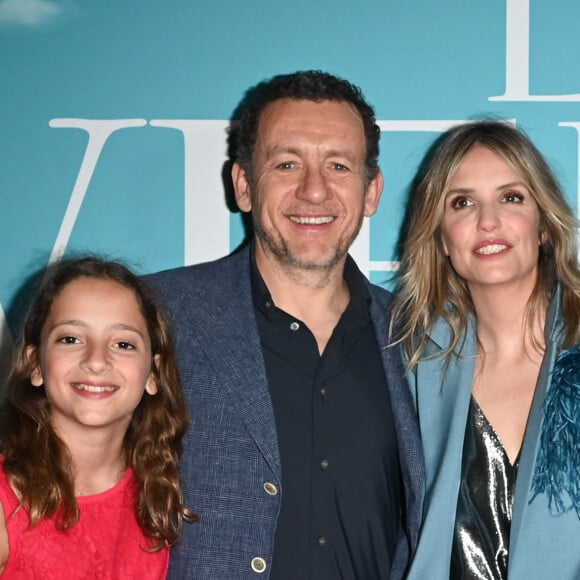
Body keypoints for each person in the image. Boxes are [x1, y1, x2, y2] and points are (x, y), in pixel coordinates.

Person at [147, 70, 424, 579]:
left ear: (371, 192)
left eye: (338, 165)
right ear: (244, 185)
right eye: (287, 163)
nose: (314, 190)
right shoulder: (155, 315)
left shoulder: (423, 340)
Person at [393, 120, 580, 579]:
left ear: (542, 225)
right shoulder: (413, 366)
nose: (488, 221)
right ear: (441, 238)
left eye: (511, 197)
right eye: (462, 203)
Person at [0, 257, 196, 579]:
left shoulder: (160, 497)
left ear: (154, 373)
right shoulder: (6, 501)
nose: (96, 360)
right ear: (35, 363)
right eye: (70, 339)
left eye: (123, 344)